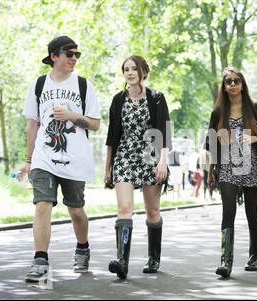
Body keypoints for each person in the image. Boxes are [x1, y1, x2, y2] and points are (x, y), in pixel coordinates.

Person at [20, 36, 101, 282]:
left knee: (76, 210)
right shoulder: (39, 85)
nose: (74, 58)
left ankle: (82, 248)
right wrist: (28, 159)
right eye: (69, 53)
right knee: (42, 204)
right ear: (54, 56)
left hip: (75, 158)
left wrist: (71, 115)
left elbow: (95, 125)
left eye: (77, 54)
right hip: (44, 157)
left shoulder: (84, 86)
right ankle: (40, 261)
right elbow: (33, 124)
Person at [104, 55, 171, 279]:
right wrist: (108, 168)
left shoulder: (156, 98)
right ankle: (122, 261)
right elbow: (112, 136)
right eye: (126, 70)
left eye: (134, 69)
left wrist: (163, 161)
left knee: (152, 211)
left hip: (151, 156)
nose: (130, 73)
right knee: (124, 207)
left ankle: (153, 257)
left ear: (143, 71)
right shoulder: (118, 100)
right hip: (124, 156)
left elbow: (165, 131)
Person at [206, 67, 257, 278]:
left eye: (237, 81)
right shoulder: (218, 113)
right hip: (227, 167)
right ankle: (225, 261)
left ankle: (254, 256)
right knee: (227, 213)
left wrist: (254, 138)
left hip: (251, 168)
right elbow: (211, 145)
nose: (233, 84)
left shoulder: (255, 108)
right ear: (224, 87)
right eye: (229, 81)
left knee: (251, 213)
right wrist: (210, 172)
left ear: (242, 84)